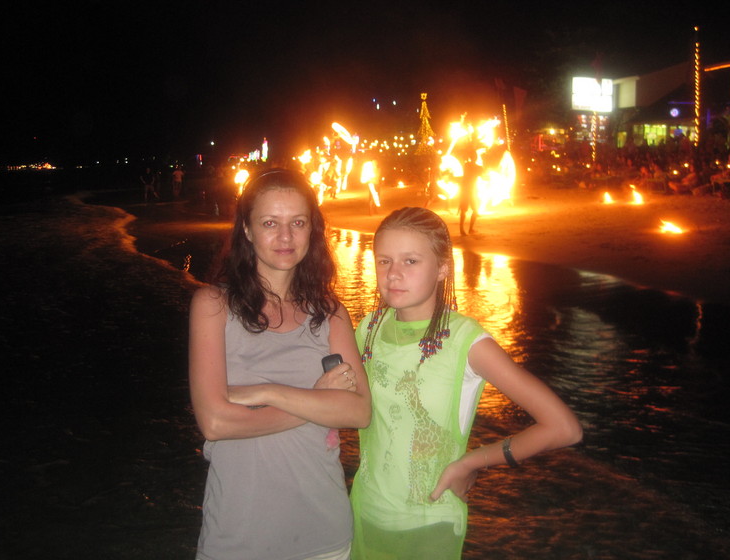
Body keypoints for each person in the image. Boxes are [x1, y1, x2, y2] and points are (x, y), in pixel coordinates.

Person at [350, 207, 583, 560]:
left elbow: (563, 428)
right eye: (384, 261)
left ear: (442, 267)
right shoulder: (368, 328)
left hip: (428, 523)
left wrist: (473, 463)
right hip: (363, 512)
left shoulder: (466, 343)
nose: (393, 274)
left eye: (410, 261)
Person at [188, 168, 371, 560]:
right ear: (248, 231)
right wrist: (315, 401)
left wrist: (270, 392)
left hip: (324, 536)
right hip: (238, 538)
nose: (285, 237)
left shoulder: (331, 313)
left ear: (312, 230)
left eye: (297, 223)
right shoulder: (213, 307)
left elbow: (358, 411)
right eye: (270, 223)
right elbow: (216, 423)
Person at [459, 158, 482, 236]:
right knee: (474, 210)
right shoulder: (477, 167)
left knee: (463, 210)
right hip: (470, 191)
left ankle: (462, 229)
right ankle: (469, 229)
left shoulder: (466, 166)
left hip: (465, 190)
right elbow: (482, 174)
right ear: (475, 158)